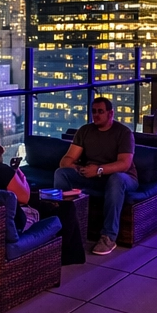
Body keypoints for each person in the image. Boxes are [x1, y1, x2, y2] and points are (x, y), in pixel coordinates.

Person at [54, 97, 136, 255]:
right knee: (61, 174)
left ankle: (108, 236)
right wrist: (79, 168)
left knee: (116, 179)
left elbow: (124, 164)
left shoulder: (123, 133)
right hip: (93, 176)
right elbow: (66, 161)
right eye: (93, 111)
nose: (96, 115)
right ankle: (64, 226)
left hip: (125, 178)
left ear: (110, 113)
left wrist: (98, 169)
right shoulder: (85, 131)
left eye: (100, 112)